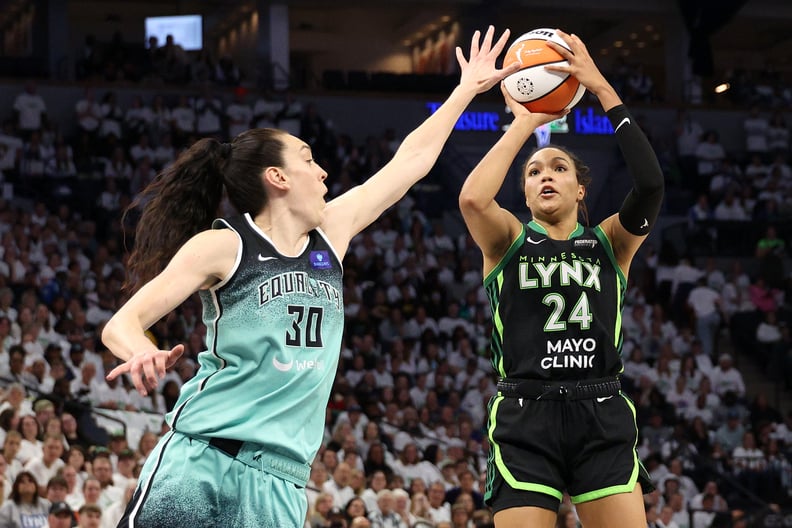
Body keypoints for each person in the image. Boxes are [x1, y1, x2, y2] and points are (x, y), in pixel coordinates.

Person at [101, 26, 519, 528]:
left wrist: (465, 90)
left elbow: (409, 162)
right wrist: (140, 351)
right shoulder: (224, 245)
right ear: (276, 178)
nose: (322, 172)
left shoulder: (332, 234)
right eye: (307, 160)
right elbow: (122, 324)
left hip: (282, 481)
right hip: (202, 461)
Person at [458, 30, 663, 528]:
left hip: (601, 408)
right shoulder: (506, 239)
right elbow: (472, 200)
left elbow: (651, 184)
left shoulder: (610, 242)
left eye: (557, 167)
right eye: (532, 172)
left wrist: (603, 91)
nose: (544, 175)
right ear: (525, 194)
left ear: (580, 189)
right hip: (527, 413)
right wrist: (524, 123)